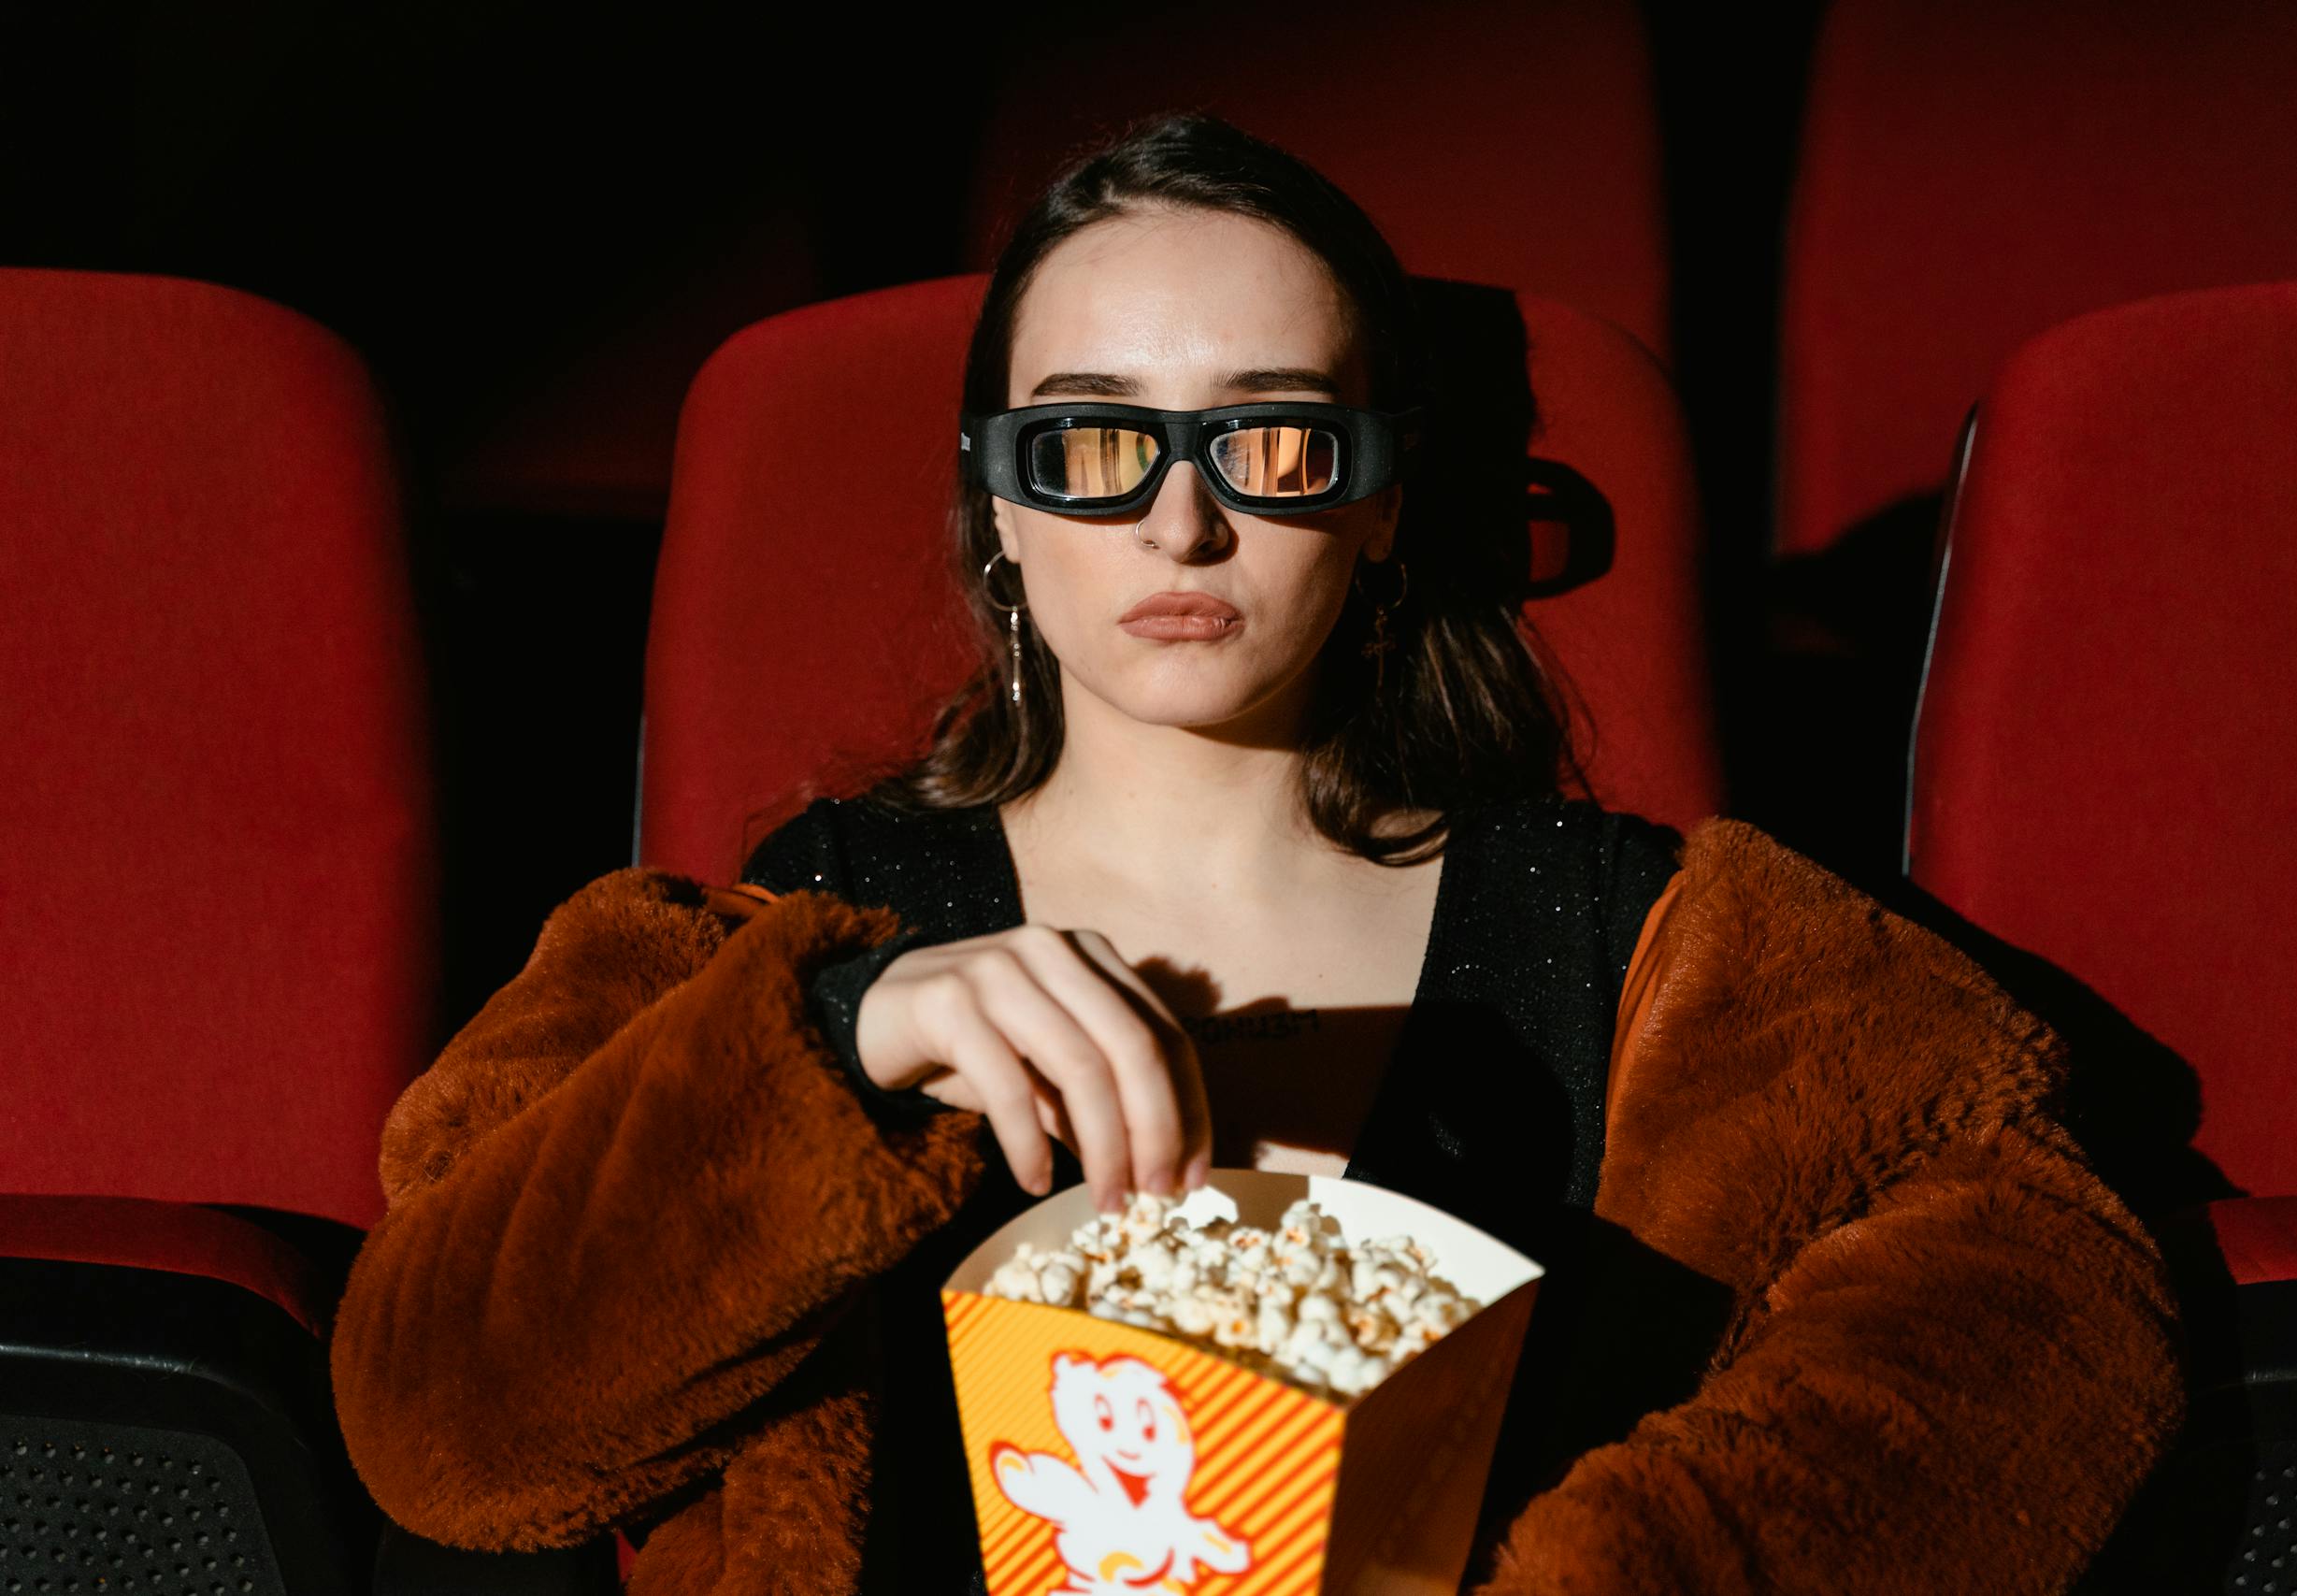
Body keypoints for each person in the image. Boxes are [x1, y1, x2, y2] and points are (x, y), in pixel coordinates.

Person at [329, 114, 2185, 1594]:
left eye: (1273, 441)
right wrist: (834, 1042)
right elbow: (435, 1427)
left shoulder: (1653, 942)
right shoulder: (791, 940)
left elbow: (2052, 1292)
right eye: (1091, 445)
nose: (1183, 515)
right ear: (998, 500)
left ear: (1379, 502)